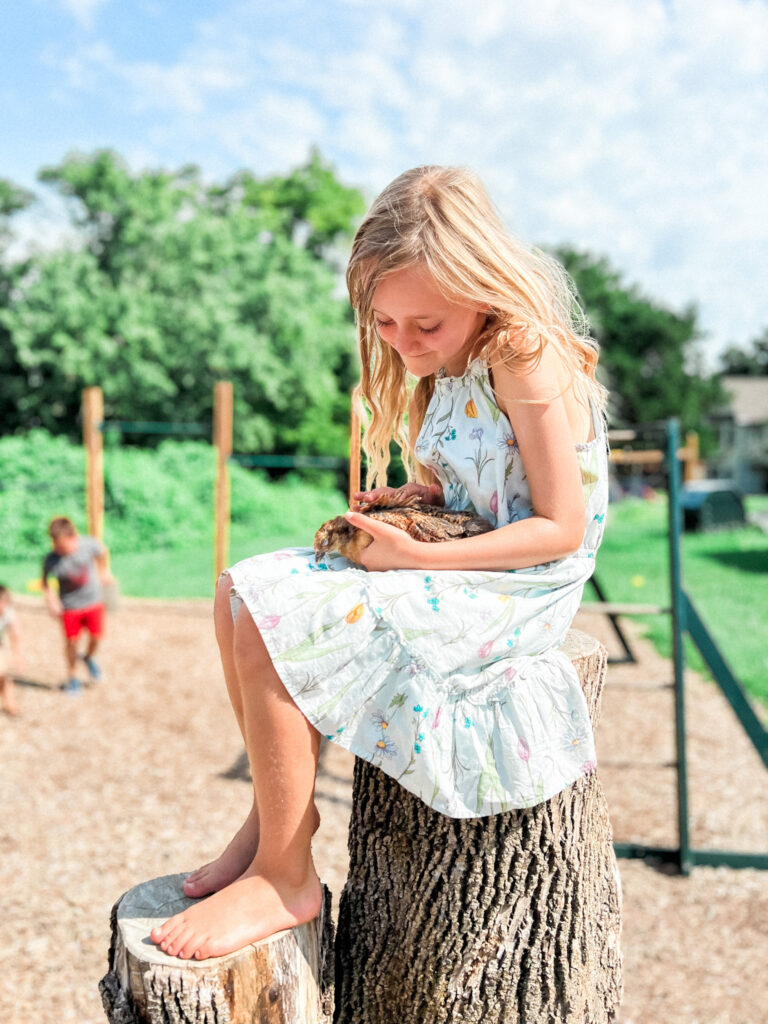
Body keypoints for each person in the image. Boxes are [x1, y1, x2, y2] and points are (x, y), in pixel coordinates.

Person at [150, 165, 609, 961]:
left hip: (522, 584)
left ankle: (286, 877)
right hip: (468, 558)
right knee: (235, 588)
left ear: (483, 284)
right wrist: (410, 500)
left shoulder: (523, 354)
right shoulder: (448, 363)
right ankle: (274, 819)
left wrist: (410, 561)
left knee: (270, 613)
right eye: (387, 325)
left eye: (423, 325)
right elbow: (470, 481)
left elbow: (560, 528)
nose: (403, 343)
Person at [42, 517, 112, 694]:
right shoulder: (51, 559)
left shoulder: (89, 545)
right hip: (70, 607)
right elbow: (45, 582)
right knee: (71, 643)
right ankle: (73, 678)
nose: (60, 550)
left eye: (64, 546)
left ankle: (89, 658)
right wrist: (51, 602)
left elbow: (102, 552)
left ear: (74, 538)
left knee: (96, 637)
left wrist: (104, 571)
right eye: (56, 545)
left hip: (93, 601)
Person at [0, 585, 24, 716]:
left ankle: (9, 702)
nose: (2, 608)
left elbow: (16, 636)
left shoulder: (8, 613)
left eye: (4, 604)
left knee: (4, 673)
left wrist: (18, 657)